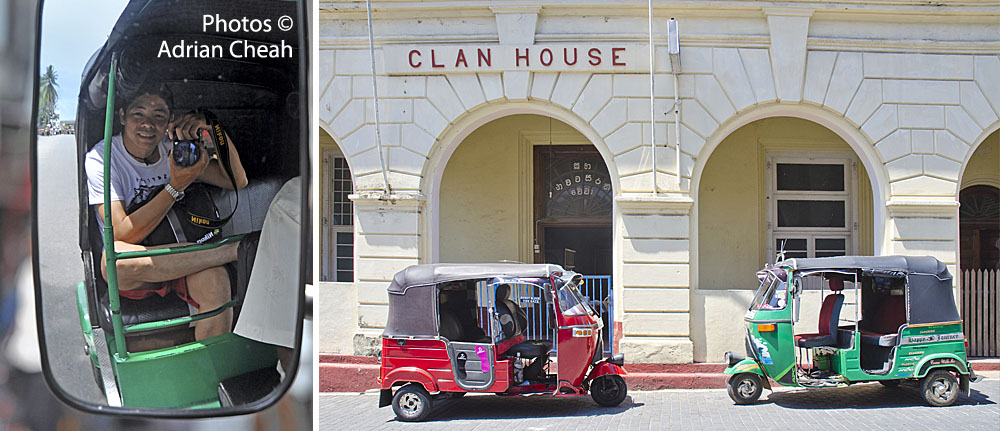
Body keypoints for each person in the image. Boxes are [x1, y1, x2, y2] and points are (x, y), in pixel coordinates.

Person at [84, 82, 248, 341]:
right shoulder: (102, 158)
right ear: (123, 116)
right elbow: (121, 235)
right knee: (115, 261)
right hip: (144, 267)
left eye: (158, 116)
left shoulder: (175, 149)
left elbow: (237, 181)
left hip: (186, 257)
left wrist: (215, 130)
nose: (147, 124)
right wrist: (176, 185)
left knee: (217, 283)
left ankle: (212, 372)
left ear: (169, 121)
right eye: (139, 114)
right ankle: (230, 251)